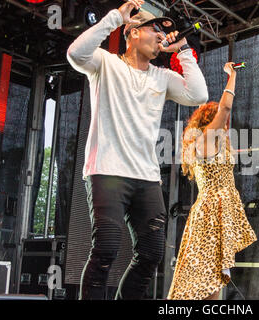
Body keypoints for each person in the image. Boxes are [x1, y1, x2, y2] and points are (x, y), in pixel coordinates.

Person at [66, 0, 208, 300]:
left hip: (145, 176)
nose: (160, 36)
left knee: (152, 254)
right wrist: (115, 17)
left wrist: (182, 49)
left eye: (163, 33)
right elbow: (75, 53)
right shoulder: (105, 63)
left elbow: (199, 94)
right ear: (132, 33)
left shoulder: (162, 77)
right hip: (107, 171)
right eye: (154, 29)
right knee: (106, 247)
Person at [167, 62, 257, 300]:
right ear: (210, 121)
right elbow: (226, 107)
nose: (225, 126)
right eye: (220, 122)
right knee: (205, 283)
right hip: (210, 215)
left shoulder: (214, 144)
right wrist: (232, 75)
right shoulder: (206, 140)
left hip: (218, 213)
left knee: (211, 281)